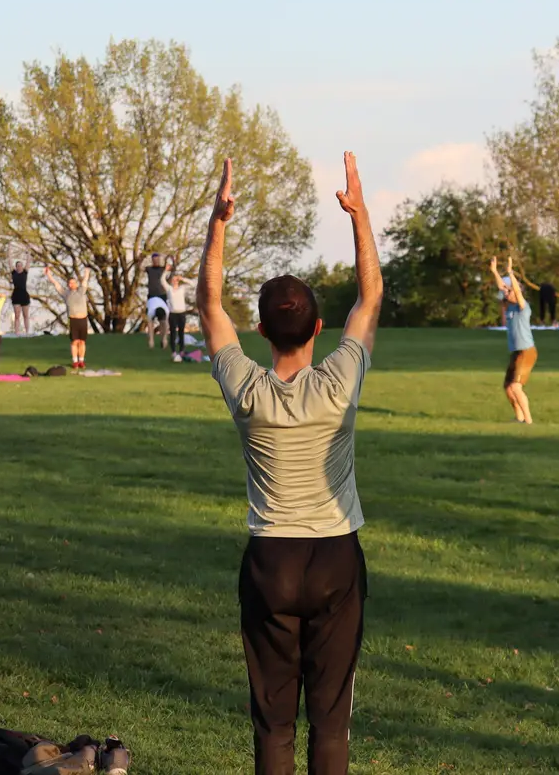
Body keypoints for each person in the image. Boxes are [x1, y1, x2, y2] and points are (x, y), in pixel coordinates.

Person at [199, 153, 381, 775]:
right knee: (330, 722)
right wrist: (359, 215)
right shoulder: (339, 382)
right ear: (319, 327)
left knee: (273, 723)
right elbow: (371, 295)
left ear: (260, 330)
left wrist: (218, 223)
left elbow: (208, 306)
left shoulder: (247, 390)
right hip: (334, 558)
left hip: (270, 561)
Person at [489, 256, 536, 424]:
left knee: (516, 387)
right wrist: (495, 272)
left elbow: (515, 291)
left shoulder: (523, 307)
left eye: (508, 291)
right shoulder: (509, 307)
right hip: (516, 352)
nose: (505, 292)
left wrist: (510, 272)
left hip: (526, 352)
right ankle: (519, 417)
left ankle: (528, 421)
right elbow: (503, 286)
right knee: (508, 388)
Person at [44, 265, 93, 369]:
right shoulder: (66, 293)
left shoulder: (81, 291)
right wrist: (49, 275)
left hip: (83, 319)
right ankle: (75, 361)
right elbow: (56, 284)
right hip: (73, 320)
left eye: (74, 282)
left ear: (76, 283)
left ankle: (81, 361)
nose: (72, 284)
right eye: (70, 283)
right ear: (68, 285)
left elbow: (85, 281)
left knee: (82, 342)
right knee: (74, 341)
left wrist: (87, 272)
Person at [167, 268, 194, 361]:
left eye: (176, 280)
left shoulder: (182, 288)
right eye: (173, 280)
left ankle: (182, 351)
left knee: (181, 333)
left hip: (182, 313)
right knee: (173, 333)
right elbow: (162, 281)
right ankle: (173, 351)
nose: (175, 281)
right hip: (172, 313)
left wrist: (182, 279)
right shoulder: (169, 289)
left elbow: (193, 284)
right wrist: (165, 271)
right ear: (171, 281)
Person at [146, 252, 172, 349]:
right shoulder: (149, 269)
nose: (156, 261)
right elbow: (140, 268)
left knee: (163, 320)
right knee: (150, 319)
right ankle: (151, 340)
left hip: (162, 296)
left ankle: (164, 339)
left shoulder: (163, 269)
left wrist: (169, 258)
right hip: (151, 296)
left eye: (158, 259)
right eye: (154, 259)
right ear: (152, 260)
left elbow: (172, 268)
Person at [9, 257, 32, 335]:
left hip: (24, 296)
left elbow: (28, 261)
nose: (19, 267)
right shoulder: (14, 273)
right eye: (18, 265)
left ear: (22, 266)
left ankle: (27, 332)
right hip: (16, 296)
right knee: (17, 316)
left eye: (20, 265)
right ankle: (17, 332)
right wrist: (9, 249)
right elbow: (10, 261)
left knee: (25, 315)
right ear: (16, 267)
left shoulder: (25, 272)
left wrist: (28, 251)